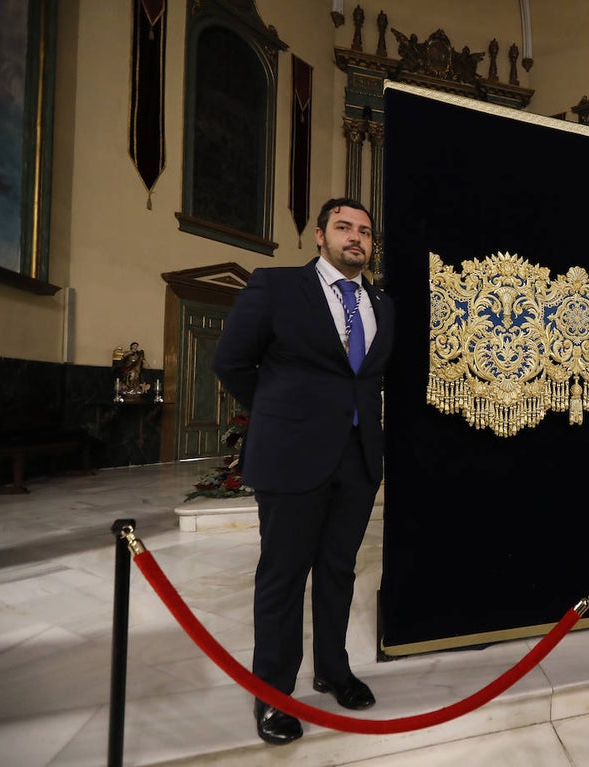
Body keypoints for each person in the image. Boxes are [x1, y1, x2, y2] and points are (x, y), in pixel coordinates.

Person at [213, 197, 395, 746]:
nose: (355, 238)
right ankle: (273, 694)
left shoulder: (383, 304)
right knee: (284, 575)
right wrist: (280, 415)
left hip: (358, 458)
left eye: (364, 231)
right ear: (320, 236)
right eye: (344, 228)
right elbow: (231, 362)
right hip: (293, 454)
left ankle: (333, 670)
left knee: (339, 569)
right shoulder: (276, 286)